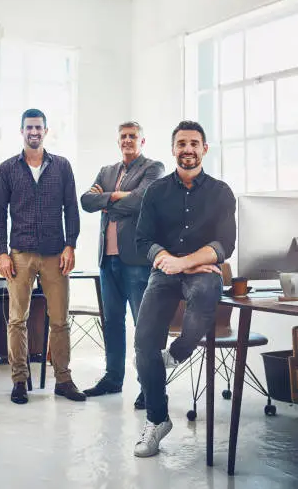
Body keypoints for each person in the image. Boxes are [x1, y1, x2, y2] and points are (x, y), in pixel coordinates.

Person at [133, 121, 236, 457]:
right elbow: (143, 240)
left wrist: (187, 263)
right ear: (173, 149)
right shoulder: (155, 192)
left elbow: (225, 244)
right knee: (144, 343)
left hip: (201, 273)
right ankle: (157, 420)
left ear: (205, 148)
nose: (188, 149)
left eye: (194, 143)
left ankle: (177, 353)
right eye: (181, 143)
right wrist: (173, 262)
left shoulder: (221, 192)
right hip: (165, 273)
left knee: (208, 290)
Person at [0, 108, 86, 404]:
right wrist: (2, 252)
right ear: (22, 132)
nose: (34, 132)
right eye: (29, 128)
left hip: (55, 253)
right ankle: (19, 380)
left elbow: (71, 207)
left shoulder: (61, 166)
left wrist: (71, 244)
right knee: (17, 320)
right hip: (19, 253)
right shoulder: (7, 169)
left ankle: (63, 379)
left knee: (60, 319)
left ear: (46, 131)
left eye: (39, 128)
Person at [81, 121, 164, 407]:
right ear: (118, 142)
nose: (128, 140)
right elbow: (87, 201)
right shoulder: (107, 171)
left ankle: (149, 386)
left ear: (142, 141)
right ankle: (113, 379)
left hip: (137, 260)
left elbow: (142, 201)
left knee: (143, 325)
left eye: (133, 136)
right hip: (108, 259)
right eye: (123, 137)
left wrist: (106, 200)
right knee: (113, 322)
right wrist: (117, 196)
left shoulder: (154, 168)